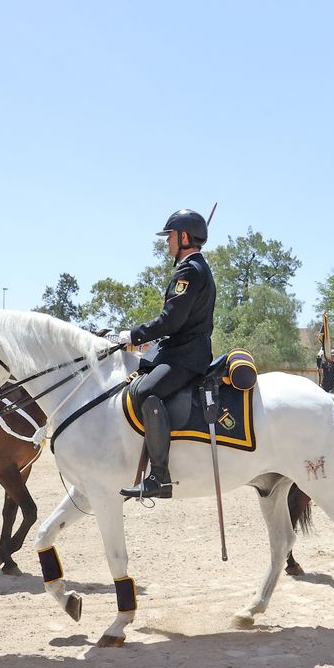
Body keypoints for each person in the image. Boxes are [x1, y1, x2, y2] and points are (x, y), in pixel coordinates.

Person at [116, 209, 217, 499]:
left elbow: (172, 320)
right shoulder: (193, 268)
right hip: (178, 350)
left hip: (186, 355)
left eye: (170, 236)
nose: (167, 242)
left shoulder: (189, 271)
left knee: (145, 391)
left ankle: (159, 476)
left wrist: (134, 335)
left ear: (184, 237)